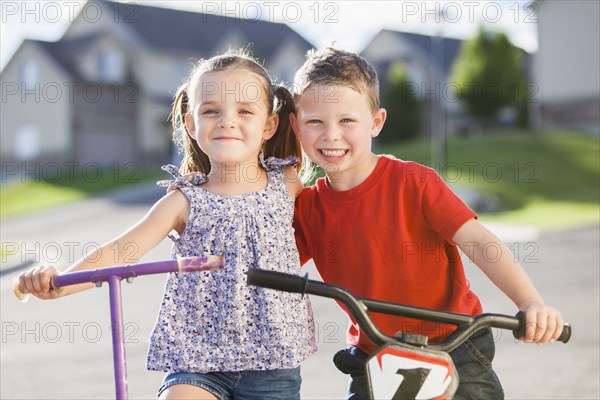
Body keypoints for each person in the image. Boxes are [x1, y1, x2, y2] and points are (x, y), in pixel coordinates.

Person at [16, 49, 317, 400]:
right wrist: (61, 283)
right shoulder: (184, 200)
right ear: (191, 124)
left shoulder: (287, 183)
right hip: (196, 357)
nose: (226, 121)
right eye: (210, 111)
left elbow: (339, 217)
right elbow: (120, 250)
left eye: (245, 111)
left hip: (273, 359)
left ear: (269, 125)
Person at [289, 47, 564, 400]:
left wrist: (530, 302)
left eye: (347, 121)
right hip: (375, 354)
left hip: (456, 344)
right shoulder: (307, 208)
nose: (331, 135)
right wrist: (280, 186)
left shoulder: (413, 182)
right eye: (315, 122)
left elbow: (478, 241)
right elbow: (268, 265)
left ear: (375, 122)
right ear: (296, 125)